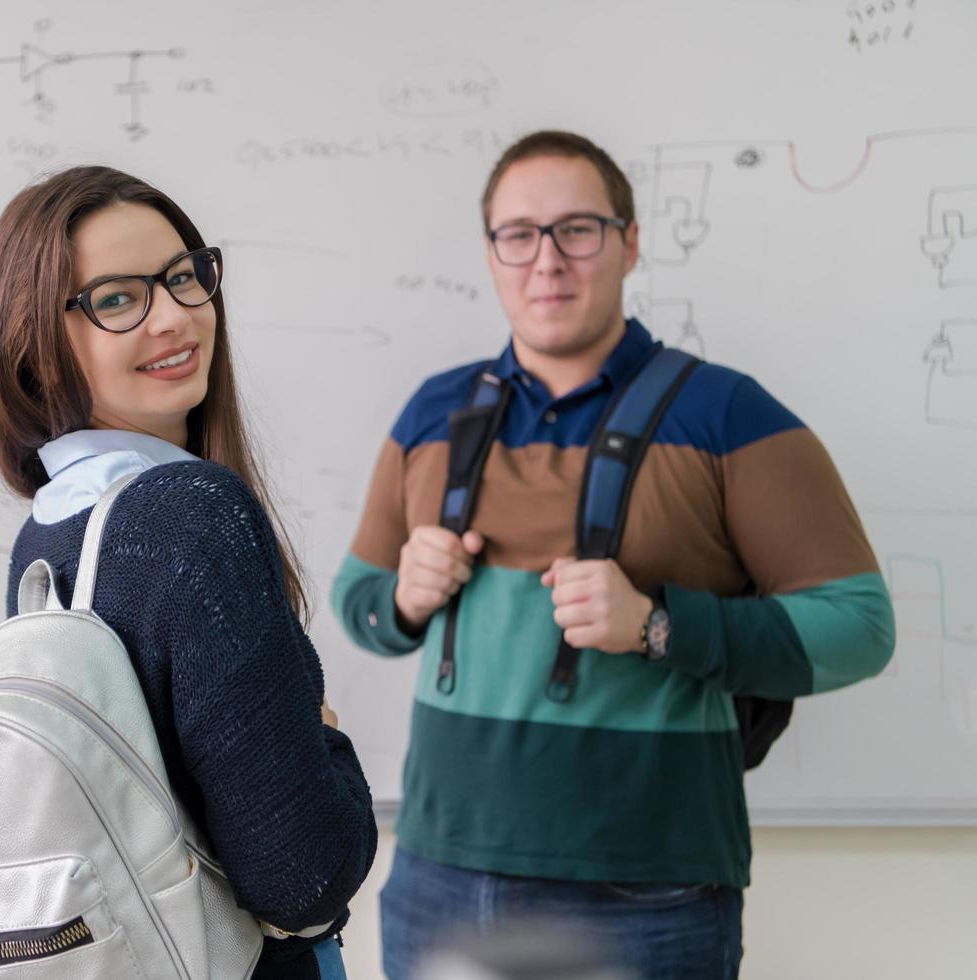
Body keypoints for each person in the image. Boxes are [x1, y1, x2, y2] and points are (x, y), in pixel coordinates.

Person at [331, 130, 895, 979]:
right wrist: (402, 599)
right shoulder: (432, 413)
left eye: (578, 230)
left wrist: (659, 624)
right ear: (491, 253)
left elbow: (861, 627)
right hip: (438, 871)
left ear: (630, 242)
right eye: (518, 234)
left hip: (650, 890)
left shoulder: (730, 415)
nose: (546, 261)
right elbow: (358, 602)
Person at [0, 164, 376, 980]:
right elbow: (303, 879)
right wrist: (324, 735)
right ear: (36, 341)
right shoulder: (193, 514)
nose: (177, 317)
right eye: (118, 299)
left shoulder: (47, 534)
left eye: (186, 277)